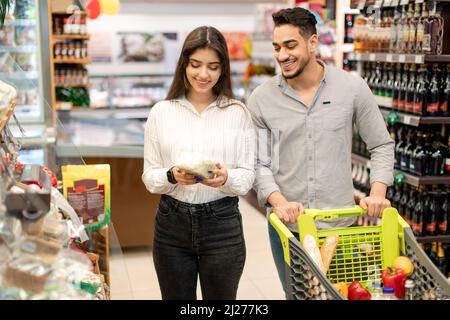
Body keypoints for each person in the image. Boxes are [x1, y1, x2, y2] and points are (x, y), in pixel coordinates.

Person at [247, 7, 394, 296]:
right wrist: (278, 201)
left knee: (343, 294)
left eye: (290, 45)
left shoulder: (351, 87)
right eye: (277, 47)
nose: (282, 55)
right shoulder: (261, 99)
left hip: (342, 227)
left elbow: (381, 144)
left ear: (312, 43)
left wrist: (377, 193)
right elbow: (258, 163)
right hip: (289, 230)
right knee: (299, 295)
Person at [142, 26, 255, 300]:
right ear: (184, 64)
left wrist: (226, 178)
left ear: (223, 69)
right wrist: (171, 176)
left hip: (222, 226)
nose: (203, 75)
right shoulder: (161, 112)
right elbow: (149, 176)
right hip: (172, 225)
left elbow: (248, 175)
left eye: (213, 67)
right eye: (196, 65)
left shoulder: (237, 113)